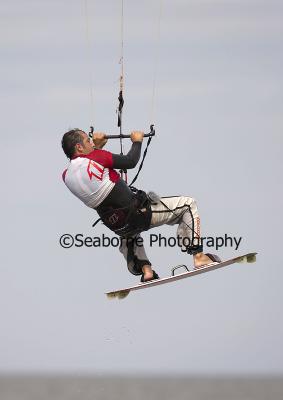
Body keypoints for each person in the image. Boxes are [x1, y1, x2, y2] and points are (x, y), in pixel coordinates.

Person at [61, 129, 221, 282]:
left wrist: (97, 147)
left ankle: (146, 271)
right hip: (140, 214)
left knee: (130, 233)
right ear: (79, 147)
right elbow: (130, 161)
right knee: (188, 205)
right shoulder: (96, 157)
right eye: (88, 141)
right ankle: (199, 256)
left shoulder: (66, 176)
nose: (91, 142)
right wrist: (137, 141)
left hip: (117, 225)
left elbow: (91, 171)